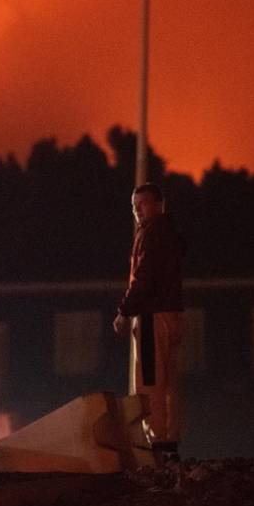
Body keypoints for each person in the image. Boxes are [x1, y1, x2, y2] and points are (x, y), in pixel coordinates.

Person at [112, 183, 185, 464]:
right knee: (168, 383)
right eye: (134, 206)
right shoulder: (170, 233)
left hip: (152, 317)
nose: (137, 211)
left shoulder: (151, 234)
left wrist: (124, 311)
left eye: (142, 204)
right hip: (171, 314)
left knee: (150, 381)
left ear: (158, 204)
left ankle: (154, 442)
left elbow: (143, 278)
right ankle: (169, 440)